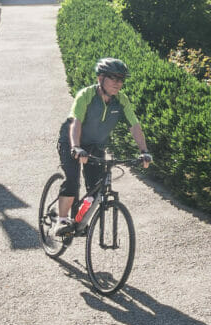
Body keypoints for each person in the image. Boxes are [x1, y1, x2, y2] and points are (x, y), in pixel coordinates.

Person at [56, 57, 151, 232]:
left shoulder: (122, 100)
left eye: (121, 79)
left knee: (95, 189)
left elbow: (135, 126)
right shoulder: (86, 95)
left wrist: (144, 151)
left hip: (96, 146)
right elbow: (76, 122)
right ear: (100, 78)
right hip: (72, 140)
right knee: (72, 181)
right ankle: (61, 220)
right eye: (113, 78)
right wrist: (76, 147)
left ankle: (77, 220)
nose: (118, 83)